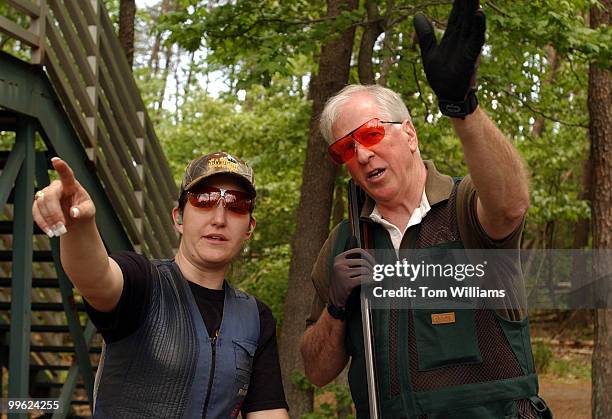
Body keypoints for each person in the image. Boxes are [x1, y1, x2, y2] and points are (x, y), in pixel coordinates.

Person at [300, 1, 552, 418]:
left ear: (410, 135)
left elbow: (511, 206)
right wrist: (336, 308)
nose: (362, 154)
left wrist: (462, 108)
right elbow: (316, 371)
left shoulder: (466, 208)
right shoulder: (345, 242)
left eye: (372, 133)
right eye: (346, 147)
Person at [32, 151, 289, 418]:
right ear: (178, 217)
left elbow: (268, 412)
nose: (219, 219)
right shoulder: (142, 282)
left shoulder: (255, 318)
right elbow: (95, 277)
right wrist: (79, 226)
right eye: (204, 200)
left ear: (249, 227)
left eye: (236, 206)